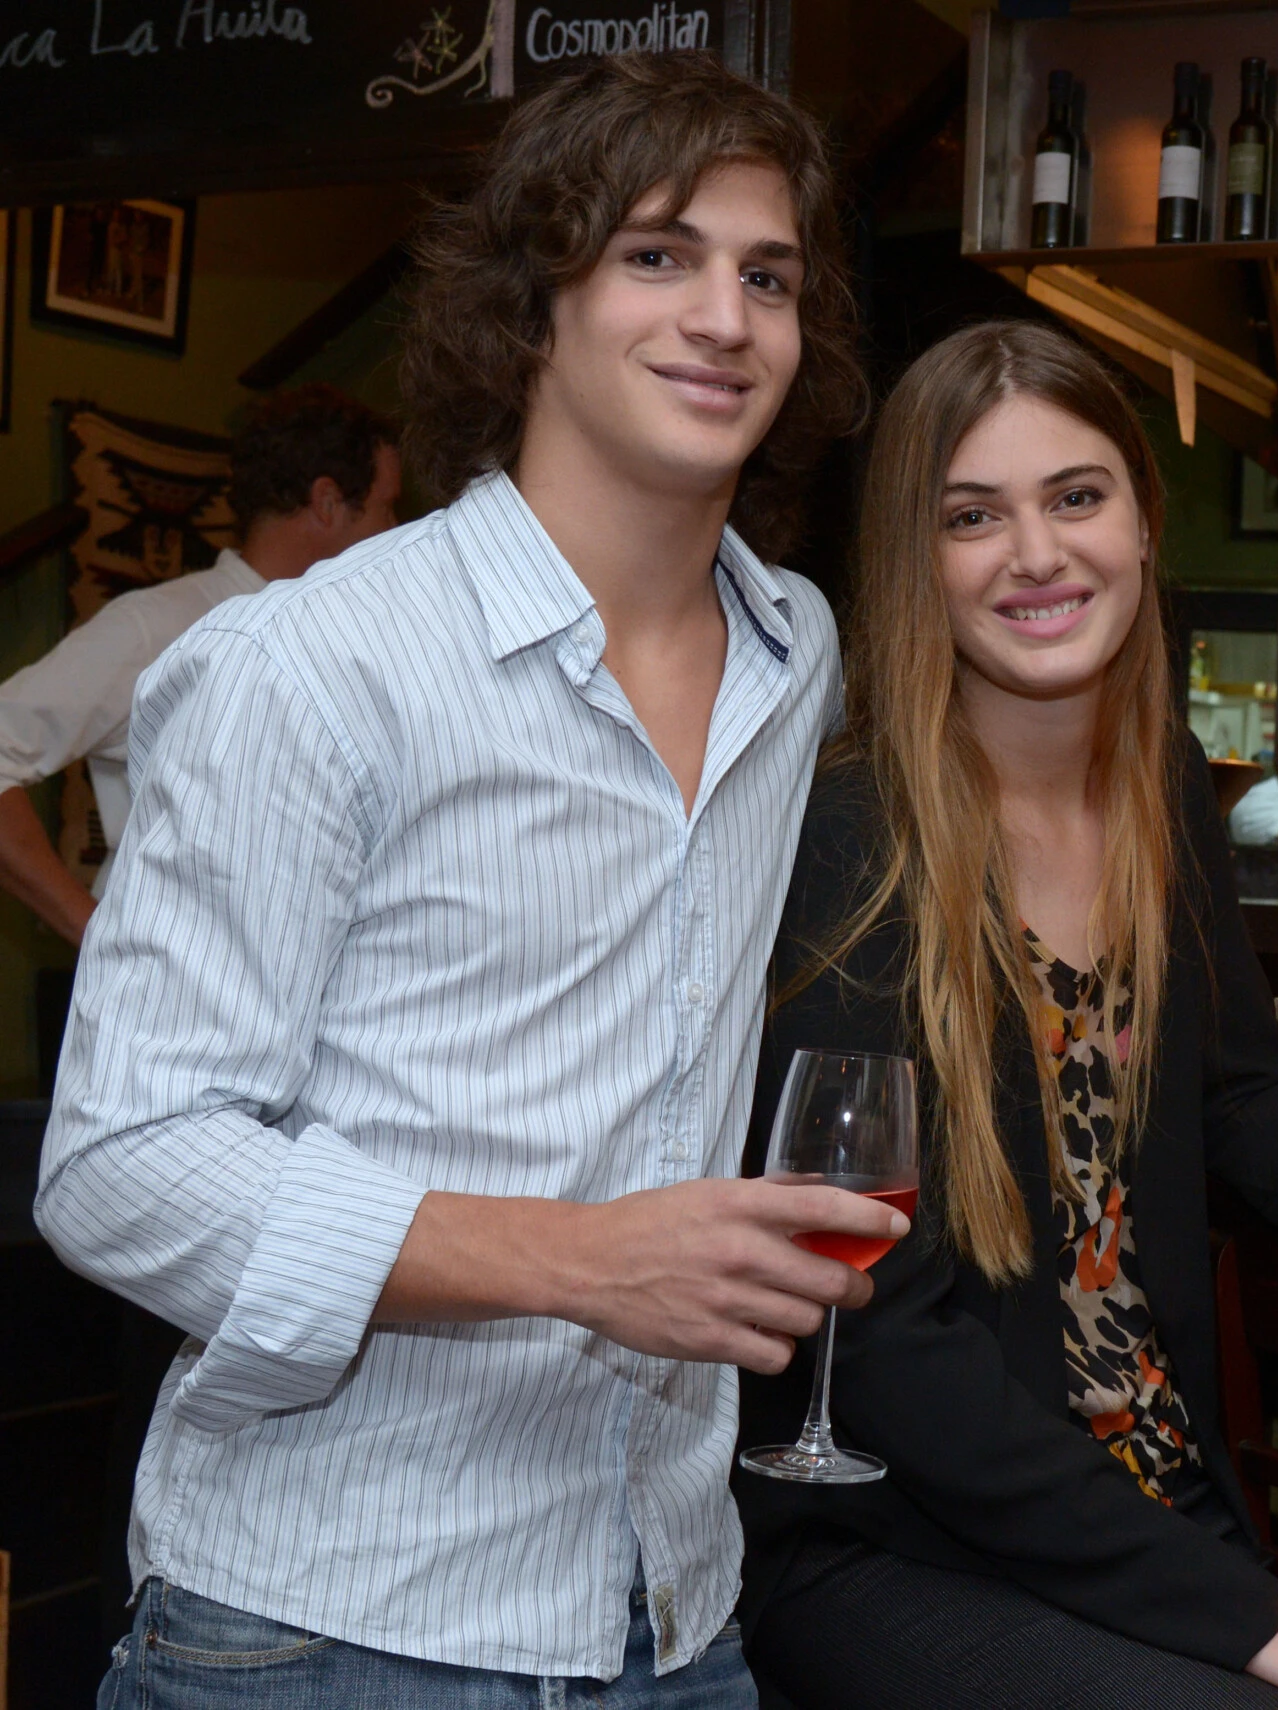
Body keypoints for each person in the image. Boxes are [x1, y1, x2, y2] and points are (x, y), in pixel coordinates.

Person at [39, 52, 895, 1709]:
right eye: (659, 254)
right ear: (534, 305)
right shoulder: (313, 664)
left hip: (676, 1611)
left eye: (768, 274)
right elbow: (123, 1166)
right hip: (330, 1625)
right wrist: (583, 1261)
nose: (726, 313)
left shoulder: (795, 652)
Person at [734, 319, 1278, 1710]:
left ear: (1145, 524)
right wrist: (1263, 1617)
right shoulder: (853, 833)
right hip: (905, 1538)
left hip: (1146, 1486)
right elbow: (885, 1340)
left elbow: (1235, 1088)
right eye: (974, 516)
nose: (1036, 555)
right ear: (919, 559)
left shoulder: (1163, 780)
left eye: (1075, 497)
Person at [0, 384, 400, 943]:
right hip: (161, 1006)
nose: (395, 534)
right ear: (328, 503)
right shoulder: (155, 627)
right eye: (386, 509)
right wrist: (96, 937)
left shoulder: (366, 648)